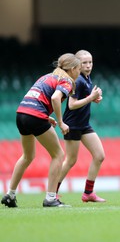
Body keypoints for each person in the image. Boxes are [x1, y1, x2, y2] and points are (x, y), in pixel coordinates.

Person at [1, 53, 81, 208]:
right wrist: (60, 122)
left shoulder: (47, 77)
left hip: (22, 114)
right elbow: (55, 98)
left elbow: (38, 98)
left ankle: (10, 194)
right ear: (72, 69)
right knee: (58, 154)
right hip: (35, 115)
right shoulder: (66, 80)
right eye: (78, 69)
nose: (79, 72)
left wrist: (46, 117)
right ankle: (51, 198)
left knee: (27, 156)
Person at [56, 50, 106, 203]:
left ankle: (88, 193)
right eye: (84, 63)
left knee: (99, 156)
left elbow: (83, 99)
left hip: (84, 124)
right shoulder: (77, 80)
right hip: (73, 125)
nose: (88, 65)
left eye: (90, 62)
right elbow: (71, 105)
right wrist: (91, 97)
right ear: (77, 64)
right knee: (70, 160)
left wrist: (93, 99)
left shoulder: (86, 78)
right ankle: (52, 191)